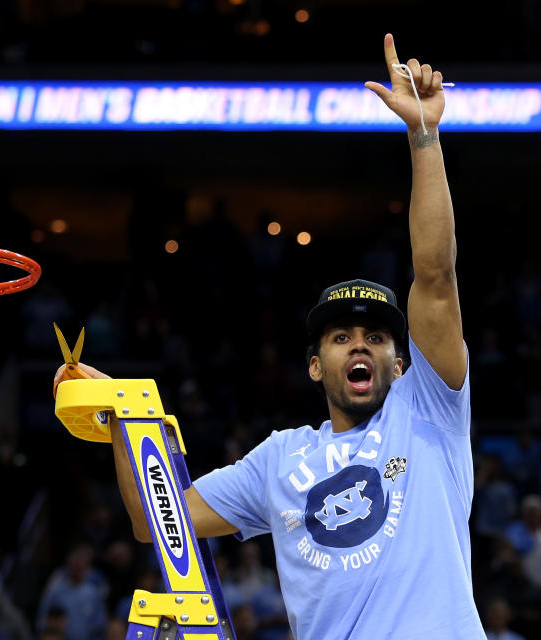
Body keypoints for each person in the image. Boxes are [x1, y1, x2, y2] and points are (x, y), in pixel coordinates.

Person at [54, 34, 482, 639]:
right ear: (313, 366)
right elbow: (161, 522)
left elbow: (435, 276)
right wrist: (124, 416)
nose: (359, 345)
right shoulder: (281, 458)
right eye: (339, 337)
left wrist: (424, 138)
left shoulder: (428, 411)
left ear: (402, 361)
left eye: (375, 337)